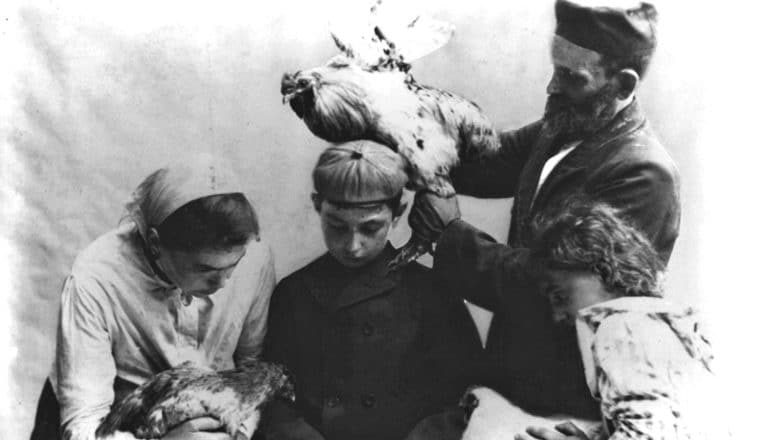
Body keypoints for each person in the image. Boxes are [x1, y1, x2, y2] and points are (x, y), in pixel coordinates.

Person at [408, 0, 681, 425]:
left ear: (624, 85)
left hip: (570, 408)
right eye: (556, 68)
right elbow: (487, 163)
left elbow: (550, 287)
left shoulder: (645, 175)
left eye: (572, 77)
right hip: (513, 382)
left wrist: (450, 236)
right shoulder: (568, 126)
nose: (551, 87)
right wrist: (410, 139)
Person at [30, 156, 276, 440]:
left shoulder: (256, 255)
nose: (223, 282)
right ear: (156, 244)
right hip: (117, 427)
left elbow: (253, 370)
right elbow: (83, 426)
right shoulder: (95, 277)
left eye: (234, 263)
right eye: (204, 268)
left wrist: (238, 432)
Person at [259, 141, 482, 440]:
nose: (353, 245)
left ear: (398, 211)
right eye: (337, 227)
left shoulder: (432, 292)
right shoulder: (293, 293)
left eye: (370, 228)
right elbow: (273, 397)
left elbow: (465, 395)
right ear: (316, 205)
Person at [515, 200, 723, 439]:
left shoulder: (621, 328)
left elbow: (647, 434)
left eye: (561, 296)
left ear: (604, 270)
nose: (557, 315)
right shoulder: (664, 325)